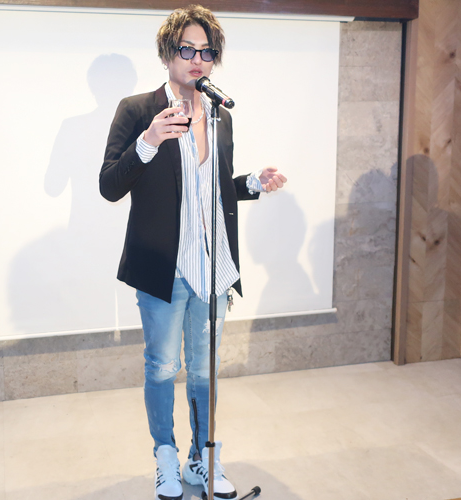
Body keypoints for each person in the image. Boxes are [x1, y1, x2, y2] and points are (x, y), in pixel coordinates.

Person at [100, 5, 286, 499]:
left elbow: (213, 189)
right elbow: (109, 186)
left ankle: (202, 459)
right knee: (162, 367)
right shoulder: (137, 110)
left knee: (204, 370)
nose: (197, 60)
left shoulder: (220, 116)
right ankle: (165, 457)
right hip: (163, 268)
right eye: (187, 49)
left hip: (212, 267)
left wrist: (253, 183)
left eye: (207, 52)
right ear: (167, 53)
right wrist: (147, 141)